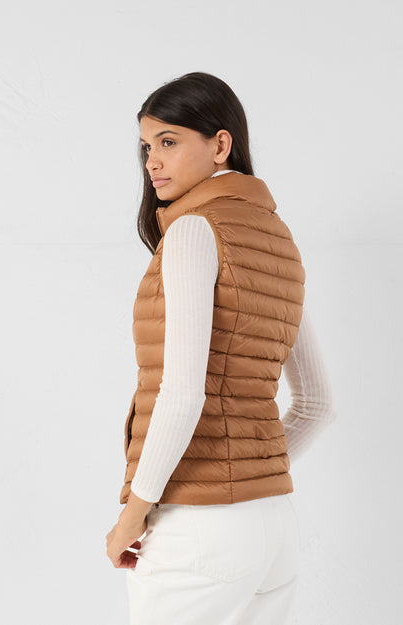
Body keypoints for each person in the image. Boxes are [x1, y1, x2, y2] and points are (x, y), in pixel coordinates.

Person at [106, 72, 337, 625]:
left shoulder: (194, 230)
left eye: (169, 141)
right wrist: (246, 472)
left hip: (198, 531)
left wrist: (134, 514)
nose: (153, 162)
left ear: (220, 144)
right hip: (274, 526)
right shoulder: (280, 241)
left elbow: (182, 395)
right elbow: (317, 406)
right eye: (146, 146)